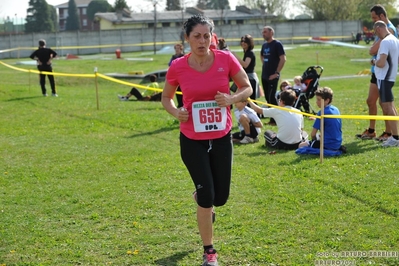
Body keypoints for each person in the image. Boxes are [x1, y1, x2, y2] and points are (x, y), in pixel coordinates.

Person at [161, 14, 252, 266]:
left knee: (220, 198)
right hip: (192, 139)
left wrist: (232, 99)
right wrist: (176, 112)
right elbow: (166, 97)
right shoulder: (178, 65)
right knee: (207, 195)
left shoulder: (225, 59)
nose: (202, 41)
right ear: (187, 38)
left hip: (221, 136)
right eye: (196, 36)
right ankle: (209, 251)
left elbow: (246, 87)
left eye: (206, 36)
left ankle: (205, 198)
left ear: (212, 37)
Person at [356, 4, 398, 141]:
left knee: (386, 103)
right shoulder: (382, 31)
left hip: (384, 72)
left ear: (381, 16)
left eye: (374, 18)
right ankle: (372, 130)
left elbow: (373, 50)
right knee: (372, 101)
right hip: (378, 72)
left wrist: (374, 59)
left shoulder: (389, 30)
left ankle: (390, 133)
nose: (373, 21)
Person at [372, 20, 399, 147]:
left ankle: (396, 137)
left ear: (378, 29)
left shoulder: (385, 42)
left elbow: (381, 63)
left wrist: (374, 62)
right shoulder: (395, 39)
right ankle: (396, 135)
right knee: (391, 106)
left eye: (375, 33)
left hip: (384, 78)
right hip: (390, 77)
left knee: (388, 107)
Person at [260, 26, 286, 125]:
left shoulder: (277, 44)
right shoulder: (264, 45)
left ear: (271, 32)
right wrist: (265, 64)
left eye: (265, 32)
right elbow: (262, 55)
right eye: (263, 32)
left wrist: (277, 73)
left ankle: (276, 120)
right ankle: (273, 119)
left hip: (273, 76)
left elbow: (283, 59)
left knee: (272, 98)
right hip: (264, 76)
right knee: (267, 98)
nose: (263, 34)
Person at [233, 34, 259, 100]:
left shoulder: (250, 53)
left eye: (245, 41)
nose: (243, 43)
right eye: (242, 41)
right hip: (248, 77)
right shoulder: (246, 52)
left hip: (251, 78)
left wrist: (235, 56)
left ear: (249, 43)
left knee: (251, 101)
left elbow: (245, 65)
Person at [168, 43, 185, 108]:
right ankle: (179, 104)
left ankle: (184, 104)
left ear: (181, 49)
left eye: (178, 48)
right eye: (176, 48)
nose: (177, 50)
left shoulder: (183, 56)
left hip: (182, 76)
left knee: (183, 91)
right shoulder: (173, 57)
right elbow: (170, 64)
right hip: (175, 76)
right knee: (177, 91)